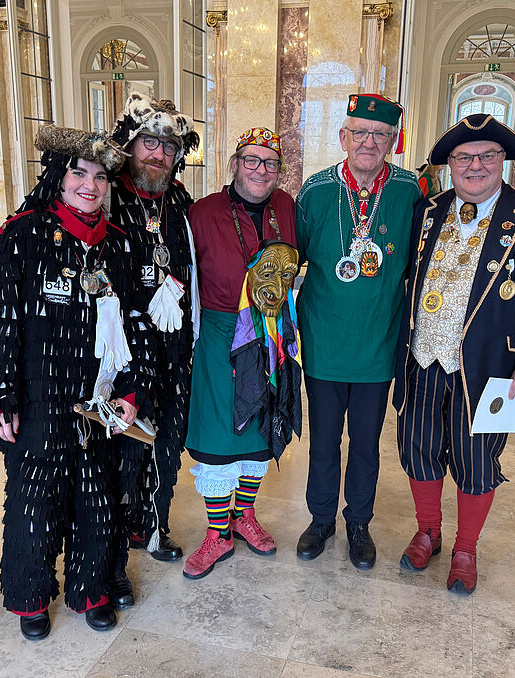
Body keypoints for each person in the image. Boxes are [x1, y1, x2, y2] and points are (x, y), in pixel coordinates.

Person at [0, 125, 154, 639]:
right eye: (79, 172)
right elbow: (1, 324)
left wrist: (132, 391)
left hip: (99, 399)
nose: (90, 185)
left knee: (97, 498)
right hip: (36, 395)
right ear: (58, 176)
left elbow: (136, 322)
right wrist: (1, 397)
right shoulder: (21, 234)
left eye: (100, 176)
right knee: (35, 503)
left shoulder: (117, 245)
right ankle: (30, 601)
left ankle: (91, 591)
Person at [393, 113, 515, 594]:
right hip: (423, 357)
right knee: (419, 449)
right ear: (450, 164)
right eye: (463, 157)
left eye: (486, 156)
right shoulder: (427, 211)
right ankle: (428, 530)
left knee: (477, 460)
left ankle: (466, 548)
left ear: (503, 161)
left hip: (492, 366)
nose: (475, 166)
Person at [295, 94, 422, 570]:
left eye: (380, 134)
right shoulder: (317, 191)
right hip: (325, 340)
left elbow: (416, 262)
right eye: (360, 133)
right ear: (343, 137)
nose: (369, 142)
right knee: (325, 438)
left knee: (366, 442)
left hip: (378, 341)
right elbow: (295, 256)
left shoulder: (411, 191)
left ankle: (358, 522)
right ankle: (322, 518)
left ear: (393, 140)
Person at [182, 127, 300, 579]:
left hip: (273, 331)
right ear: (234, 164)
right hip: (219, 331)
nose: (261, 170)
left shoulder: (287, 207)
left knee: (258, 430)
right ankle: (217, 534)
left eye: (270, 162)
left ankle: (244, 515)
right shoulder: (203, 211)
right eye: (251, 160)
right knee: (219, 433)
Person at [103, 93, 200, 605]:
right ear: (130, 145)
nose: (158, 155)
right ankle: (112, 548)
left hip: (173, 348)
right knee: (121, 451)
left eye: (167, 146)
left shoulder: (179, 201)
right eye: (149, 144)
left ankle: (153, 524)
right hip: (118, 352)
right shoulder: (102, 191)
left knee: (165, 441)